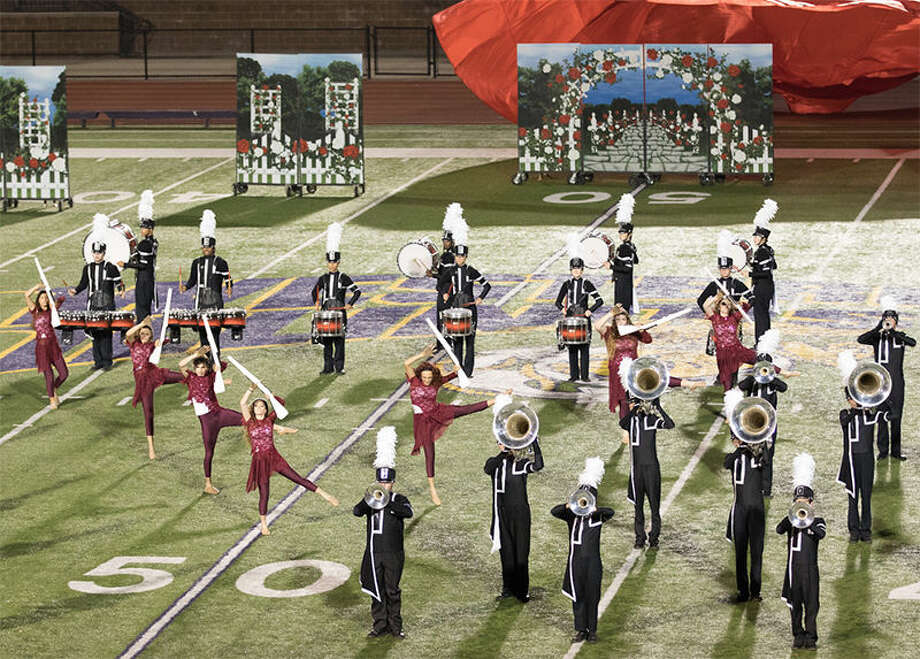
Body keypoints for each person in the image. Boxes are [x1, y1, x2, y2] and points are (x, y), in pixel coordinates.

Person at [404, 343, 501, 505]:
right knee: (429, 453)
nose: (427, 380)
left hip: (437, 412)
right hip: (423, 422)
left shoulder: (435, 383)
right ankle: (433, 489)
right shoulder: (414, 381)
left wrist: (455, 372)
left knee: (464, 410)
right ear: (420, 376)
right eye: (425, 378)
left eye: (429, 378)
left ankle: (495, 400)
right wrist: (423, 354)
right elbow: (407, 363)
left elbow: (448, 378)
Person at [240, 385, 338, 535]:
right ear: (253, 409)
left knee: (297, 478)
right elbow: (242, 403)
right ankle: (264, 524)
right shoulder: (250, 422)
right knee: (264, 493)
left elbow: (282, 403)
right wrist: (250, 389)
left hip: (274, 458)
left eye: (262, 406)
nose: (259, 408)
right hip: (259, 462)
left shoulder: (270, 420)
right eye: (257, 406)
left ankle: (325, 495)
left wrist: (271, 398)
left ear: (266, 410)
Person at [356, 426, 412, 639]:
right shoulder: (372, 498)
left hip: (393, 553)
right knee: (376, 590)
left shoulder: (399, 500)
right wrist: (369, 499)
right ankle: (379, 625)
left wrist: (387, 502)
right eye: (381, 481)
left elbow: (408, 513)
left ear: (393, 483)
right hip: (374, 551)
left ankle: (396, 626)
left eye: (387, 482)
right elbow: (356, 511)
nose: (384, 485)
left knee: (392, 590)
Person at [551, 457, 614, 644]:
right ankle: (580, 630)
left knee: (592, 595)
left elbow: (610, 512)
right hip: (575, 560)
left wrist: (594, 509)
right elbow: (555, 512)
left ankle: (592, 630)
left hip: (593, 561)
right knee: (577, 594)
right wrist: (568, 506)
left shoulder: (598, 518)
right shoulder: (572, 517)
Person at [485, 403, 543, 603]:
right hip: (502, 513)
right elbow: (487, 468)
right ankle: (507, 588)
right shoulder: (496, 463)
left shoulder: (520, 465)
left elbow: (538, 465)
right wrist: (503, 451)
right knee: (506, 552)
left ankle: (522, 590)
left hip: (520, 513)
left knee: (521, 553)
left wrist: (534, 442)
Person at [836, 351, 889, 542]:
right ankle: (853, 530)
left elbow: (889, 414)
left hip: (866, 459)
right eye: (851, 397)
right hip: (850, 459)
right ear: (848, 399)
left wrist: (875, 400)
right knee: (853, 497)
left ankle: (866, 530)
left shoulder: (870, 415)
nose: (854, 400)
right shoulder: (845, 414)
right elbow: (846, 420)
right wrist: (857, 408)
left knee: (866, 496)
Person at [776, 453, 826, 650]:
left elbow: (820, 534)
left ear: (811, 503)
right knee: (796, 604)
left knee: (811, 604)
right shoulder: (791, 521)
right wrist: (792, 516)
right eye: (798, 501)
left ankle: (811, 636)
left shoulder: (818, 521)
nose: (801, 505)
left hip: (810, 569)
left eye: (805, 502)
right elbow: (779, 530)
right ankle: (798, 634)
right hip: (793, 569)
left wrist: (808, 520)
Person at [857, 296, 915, 460]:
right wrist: (878, 328)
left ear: (896, 321)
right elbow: (861, 339)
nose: (889, 321)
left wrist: (894, 332)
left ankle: (896, 451)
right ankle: (883, 451)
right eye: (886, 319)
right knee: (881, 417)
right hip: (880, 383)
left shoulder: (900, 337)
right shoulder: (877, 338)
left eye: (891, 319)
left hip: (897, 383)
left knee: (897, 417)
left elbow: (912, 342)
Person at [179, 347, 239, 495]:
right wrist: (196, 354)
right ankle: (208, 484)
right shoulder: (191, 378)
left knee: (245, 419)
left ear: (206, 368)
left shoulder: (211, 377)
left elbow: (221, 366)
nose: (200, 370)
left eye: (203, 367)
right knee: (209, 452)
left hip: (218, 413)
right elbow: (181, 364)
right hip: (206, 421)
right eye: (198, 367)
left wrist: (216, 369)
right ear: (195, 368)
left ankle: (274, 426)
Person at [70, 213, 126, 370]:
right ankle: (97, 361)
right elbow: (83, 284)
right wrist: (75, 290)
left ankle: (107, 361)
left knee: (106, 333)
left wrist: (121, 290)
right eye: (94, 253)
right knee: (94, 333)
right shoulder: (87, 268)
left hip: (107, 304)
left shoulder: (111, 267)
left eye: (99, 253)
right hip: (92, 305)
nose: (96, 255)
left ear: (104, 253)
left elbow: (118, 282)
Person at [619, 393, 675, 549]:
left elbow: (670, 425)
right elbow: (622, 423)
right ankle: (639, 538)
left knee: (654, 507)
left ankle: (654, 539)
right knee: (638, 507)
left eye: (632, 403)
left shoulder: (651, 420)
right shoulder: (630, 421)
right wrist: (634, 410)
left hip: (651, 469)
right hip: (636, 470)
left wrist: (659, 408)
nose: (630, 405)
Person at [124, 316, 184, 460]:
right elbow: (128, 334)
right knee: (148, 412)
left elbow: (160, 342)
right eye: (142, 333)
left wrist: (158, 343)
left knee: (184, 377)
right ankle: (151, 448)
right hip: (143, 382)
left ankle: (209, 381)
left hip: (155, 374)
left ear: (151, 335)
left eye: (147, 333)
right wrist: (141, 325)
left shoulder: (152, 345)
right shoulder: (133, 344)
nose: (144, 335)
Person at [437, 215, 490, 376]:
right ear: (455, 256)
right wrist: (445, 293)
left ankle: (468, 371)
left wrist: (480, 298)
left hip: (470, 309)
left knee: (470, 342)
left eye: (462, 256)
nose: (460, 259)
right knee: (457, 342)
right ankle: (458, 370)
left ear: (466, 257)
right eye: (457, 256)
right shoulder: (450, 270)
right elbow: (440, 283)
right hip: (456, 309)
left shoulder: (471, 270)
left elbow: (487, 285)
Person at [737, 329, 787, 497]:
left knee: (767, 454)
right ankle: (753, 484)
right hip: (752, 423)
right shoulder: (752, 382)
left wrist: (771, 377)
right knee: (751, 452)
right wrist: (753, 377)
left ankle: (766, 489)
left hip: (769, 423)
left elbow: (784, 387)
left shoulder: (772, 383)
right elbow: (741, 387)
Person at [311, 222, 361, 375]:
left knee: (339, 341)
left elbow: (357, 291)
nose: (332, 265)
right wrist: (317, 303)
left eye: (334, 262)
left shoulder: (344, 277)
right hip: (326, 311)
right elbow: (315, 291)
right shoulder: (323, 278)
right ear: (327, 263)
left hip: (339, 312)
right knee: (326, 340)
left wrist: (350, 304)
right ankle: (327, 367)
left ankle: (339, 367)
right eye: (330, 262)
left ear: (338, 263)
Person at [180, 209, 232, 353]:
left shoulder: (220, 262)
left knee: (214, 332)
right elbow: (192, 279)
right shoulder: (196, 262)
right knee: (202, 333)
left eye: (208, 247)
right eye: (204, 247)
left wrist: (229, 287)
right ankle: (204, 362)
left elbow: (228, 277)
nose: (206, 249)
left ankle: (215, 360)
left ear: (213, 247)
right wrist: (186, 287)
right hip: (200, 301)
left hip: (215, 300)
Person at [555, 235, 603, 382]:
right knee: (572, 348)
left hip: (583, 318)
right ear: (571, 270)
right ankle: (574, 375)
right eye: (574, 268)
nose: (576, 271)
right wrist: (563, 309)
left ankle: (585, 376)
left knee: (585, 348)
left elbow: (600, 300)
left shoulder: (587, 284)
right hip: (570, 317)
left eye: (578, 269)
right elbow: (557, 302)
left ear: (582, 270)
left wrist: (590, 310)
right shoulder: (566, 284)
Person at [724, 435, 766, 603]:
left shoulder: (758, 454)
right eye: (735, 438)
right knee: (740, 553)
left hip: (756, 510)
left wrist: (755, 448)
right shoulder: (733, 456)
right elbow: (726, 463)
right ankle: (743, 591)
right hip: (740, 509)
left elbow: (766, 463)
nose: (737, 441)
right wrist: (741, 448)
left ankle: (755, 592)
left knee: (756, 552)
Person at [25, 284, 68, 409]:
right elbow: (26, 295)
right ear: (38, 300)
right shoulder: (35, 310)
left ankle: (53, 388)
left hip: (53, 346)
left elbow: (61, 298)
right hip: (42, 348)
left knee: (64, 373)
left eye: (46, 297)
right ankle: (52, 399)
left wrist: (60, 292)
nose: (44, 299)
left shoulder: (52, 310)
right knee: (48, 375)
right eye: (42, 298)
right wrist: (37, 286)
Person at [118, 190, 158, 322]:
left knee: (142, 311)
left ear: (150, 229)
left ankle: (143, 336)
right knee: (145, 310)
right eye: (141, 227)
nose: (142, 230)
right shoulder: (153, 242)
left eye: (145, 228)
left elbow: (143, 265)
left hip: (144, 280)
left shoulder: (145, 244)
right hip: (149, 279)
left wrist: (126, 264)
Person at [704, 292, 756, 391]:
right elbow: (705, 305)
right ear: (719, 306)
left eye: (728, 304)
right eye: (723, 303)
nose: (726, 306)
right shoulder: (715, 318)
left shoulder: (735, 317)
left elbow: (748, 305)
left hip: (736, 349)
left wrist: (742, 304)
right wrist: (716, 297)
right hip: (723, 353)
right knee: (727, 382)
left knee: (759, 359)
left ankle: (778, 373)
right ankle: (730, 401)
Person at [602, 192, 639, 313]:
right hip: (624, 282)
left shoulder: (625, 248)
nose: (621, 235)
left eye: (623, 233)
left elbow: (627, 268)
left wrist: (612, 266)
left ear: (629, 234)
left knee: (620, 310)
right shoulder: (630, 246)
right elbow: (635, 261)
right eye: (620, 233)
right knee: (622, 310)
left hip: (623, 283)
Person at [749, 199, 778, 342]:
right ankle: (765, 342)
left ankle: (760, 343)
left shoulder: (761, 252)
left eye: (757, 236)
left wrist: (749, 273)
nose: (755, 238)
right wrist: (752, 266)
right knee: (763, 315)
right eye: (754, 236)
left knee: (760, 316)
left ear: (764, 238)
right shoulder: (768, 250)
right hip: (767, 287)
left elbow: (765, 272)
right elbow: (774, 266)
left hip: (762, 287)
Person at [430, 203, 460, 333]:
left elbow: (446, 276)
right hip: (447, 289)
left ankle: (442, 343)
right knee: (445, 316)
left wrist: (433, 275)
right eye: (444, 240)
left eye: (447, 241)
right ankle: (445, 341)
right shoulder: (448, 255)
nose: (444, 242)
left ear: (452, 242)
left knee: (442, 317)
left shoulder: (448, 256)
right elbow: (442, 272)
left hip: (446, 289)